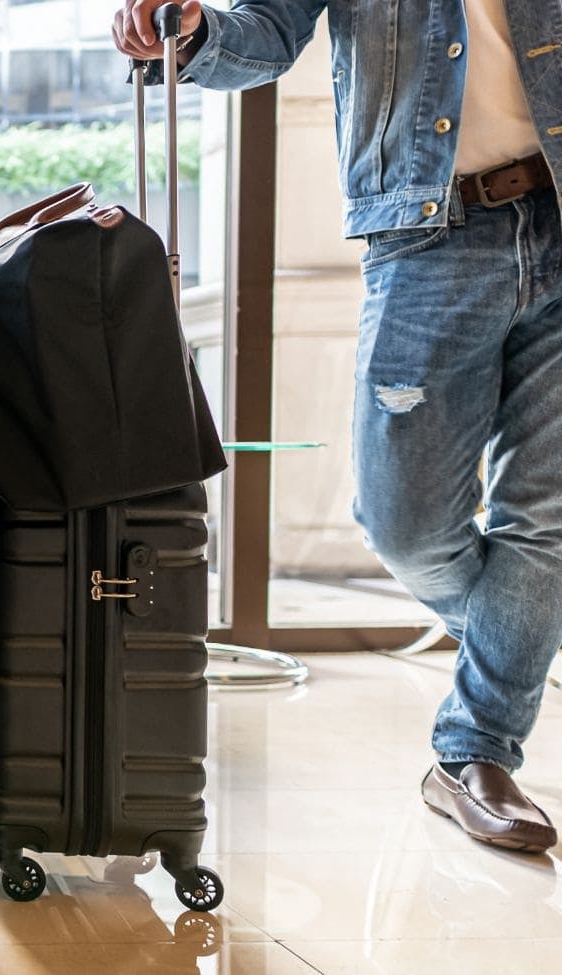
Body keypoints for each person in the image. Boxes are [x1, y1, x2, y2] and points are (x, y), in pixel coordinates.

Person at [115, 0, 561, 851]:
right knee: (403, 522)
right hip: (430, 232)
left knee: (543, 518)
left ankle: (474, 752)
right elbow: (267, 33)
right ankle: (520, 635)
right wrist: (192, 33)